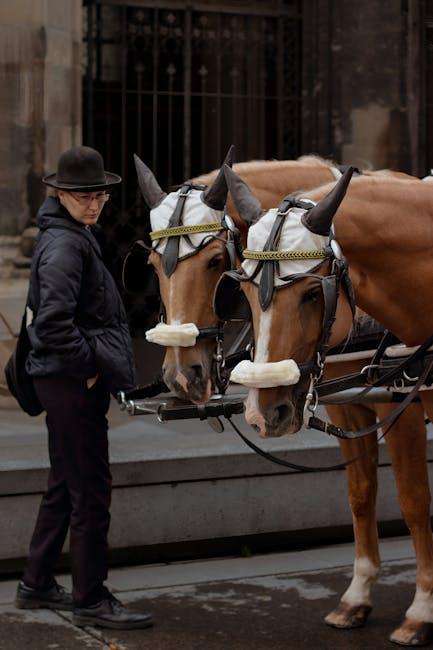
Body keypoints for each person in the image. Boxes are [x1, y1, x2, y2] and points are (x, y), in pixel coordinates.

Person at [15, 146, 153, 630]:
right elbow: (51, 325)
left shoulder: (74, 234)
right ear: (60, 194)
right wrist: (89, 366)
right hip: (70, 383)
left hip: (62, 381)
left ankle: (36, 582)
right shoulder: (67, 245)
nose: (94, 204)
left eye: (99, 195)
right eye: (83, 196)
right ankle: (91, 598)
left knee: (63, 484)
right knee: (91, 492)